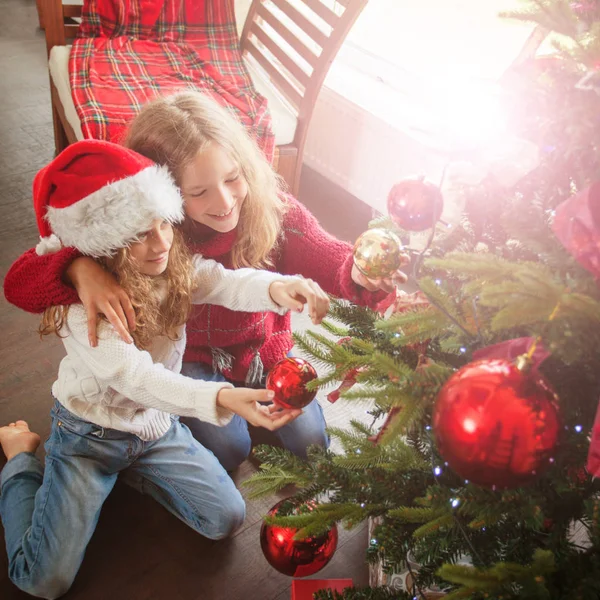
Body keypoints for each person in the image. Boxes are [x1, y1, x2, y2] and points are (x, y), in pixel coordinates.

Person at [4, 91, 406, 472]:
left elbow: (325, 252)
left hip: (264, 354)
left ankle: (244, 415)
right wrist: (78, 267)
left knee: (311, 441)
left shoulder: (270, 210)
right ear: (164, 193)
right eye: (199, 191)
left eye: (233, 178)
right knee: (230, 449)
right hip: (193, 362)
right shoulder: (153, 231)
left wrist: (358, 271)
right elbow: (21, 280)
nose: (225, 202)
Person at [0, 139, 329, 599]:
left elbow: (226, 283)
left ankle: (130, 474)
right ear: (103, 243)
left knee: (226, 518)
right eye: (139, 234)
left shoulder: (170, 266)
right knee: (43, 580)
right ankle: (18, 459)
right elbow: (138, 378)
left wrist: (282, 287)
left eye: (163, 225)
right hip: (88, 438)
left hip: (154, 431)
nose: (160, 244)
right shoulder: (84, 308)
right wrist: (219, 398)